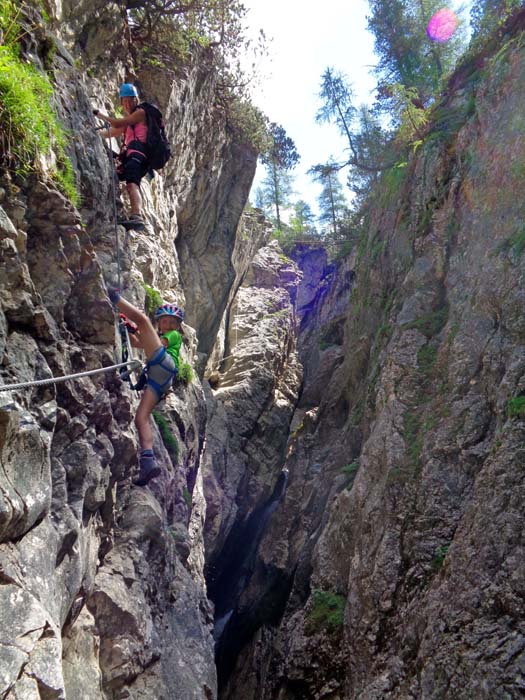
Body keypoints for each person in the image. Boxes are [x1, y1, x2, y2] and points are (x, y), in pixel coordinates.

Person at [107, 285, 184, 485]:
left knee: (143, 320)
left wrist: (135, 326)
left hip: (163, 364)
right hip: (160, 380)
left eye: (171, 322)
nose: (167, 324)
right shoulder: (159, 339)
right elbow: (136, 343)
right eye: (164, 321)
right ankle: (148, 460)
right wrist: (127, 332)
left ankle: (114, 297)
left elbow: (150, 333)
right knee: (141, 418)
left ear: (176, 326)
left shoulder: (174, 336)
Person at [93, 84, 148, 230]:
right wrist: (93, 134)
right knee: (114, 173)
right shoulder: (129, 123)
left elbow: (117, 123)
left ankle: (137, 216)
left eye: (130, 100)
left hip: (138, 155)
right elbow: (110, 132)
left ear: (136, 100)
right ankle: (114, 209)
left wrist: (99, 114)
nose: (127, 104)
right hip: (130, 155)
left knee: (132, 183)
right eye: (124, 101)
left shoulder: (141, 113)